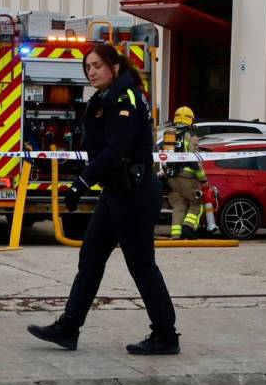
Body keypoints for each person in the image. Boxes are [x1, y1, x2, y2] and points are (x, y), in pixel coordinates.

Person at [27, 43, 179, 355]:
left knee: (142, 266)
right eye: (88, 68)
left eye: (96, 65)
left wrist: (81, 182)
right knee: (91, 257)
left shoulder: (126, 98)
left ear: (115, 67)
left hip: (134, 194)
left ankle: (166, 334)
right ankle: (69, 327)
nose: (91, 72)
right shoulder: (105, 98)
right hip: (115, 193)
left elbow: (116, 150)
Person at [159, 106, 208, 238]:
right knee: (197, 204)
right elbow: (195, 160)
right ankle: (188, 228)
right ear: (190, 120)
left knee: (179, 206)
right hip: (188, 178)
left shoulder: (169, 134)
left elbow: (163, 157)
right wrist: (203, 178)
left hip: (171, 178)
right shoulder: (191, 136)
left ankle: (176, 235)